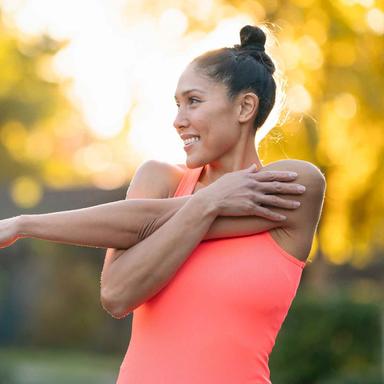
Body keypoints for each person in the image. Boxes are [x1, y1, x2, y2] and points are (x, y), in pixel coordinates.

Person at [0, 25, 325, 383]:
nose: (178, 120)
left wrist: (204, 205)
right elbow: (117, 295)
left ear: (245, 106)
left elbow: (146, 221)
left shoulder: (295, 185)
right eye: (177, 105)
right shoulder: (159, 180)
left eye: (194, 101)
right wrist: (209, 202)